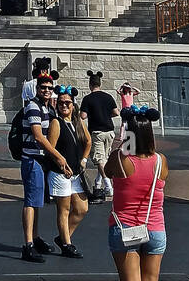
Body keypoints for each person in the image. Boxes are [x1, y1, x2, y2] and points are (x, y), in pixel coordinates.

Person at [105, 105, 168, 281]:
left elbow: (107, 170)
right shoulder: (161, 161)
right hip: (155, 228)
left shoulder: (122, 160)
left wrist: (121, 142)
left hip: (126, 229)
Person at [20, 74, 72, 262]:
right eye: (43, 87)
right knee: (31, 202)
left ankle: (35, 237)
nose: (47, 90)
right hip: (32, 159)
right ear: (37, 88)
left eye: (50, 88)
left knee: (37, 201)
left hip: (41, 160)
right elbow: (39, 137)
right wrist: (59, 157)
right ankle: (28, 245)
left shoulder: (46, 107)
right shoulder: (33, 106)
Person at [47, 87, 91, 257]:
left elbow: (88, 142)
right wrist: (61, 163)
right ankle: (67, 244)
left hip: (76, 173)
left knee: (81, 208)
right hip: (60, 174)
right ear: (57, 105)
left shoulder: (77, 122)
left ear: (73, 105)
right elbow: (50, 148)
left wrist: (84, 159)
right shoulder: (56, 123)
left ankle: (63, 237)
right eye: (61, 103)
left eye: (67, 103)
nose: (64, 105)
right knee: (64, 210)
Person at [80, 70, 119, 200]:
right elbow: (116, 112)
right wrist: (106, 115)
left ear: (90, 84)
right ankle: (98, 183)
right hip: (110, 131)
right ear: (100, 83)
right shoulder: (108, 97)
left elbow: (83, 116)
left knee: (99, 159)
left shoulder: (87, 99)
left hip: (97, 132)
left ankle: (108, 186)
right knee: (104, 159)